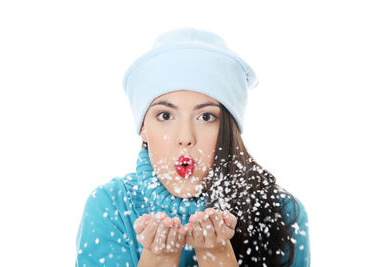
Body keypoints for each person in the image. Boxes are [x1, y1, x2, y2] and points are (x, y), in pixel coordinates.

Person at [75, 27, 310, 267]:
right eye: (165, 116)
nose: (185, 138)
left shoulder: (282, 212)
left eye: (206, 117)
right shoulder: (111, 205)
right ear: (143, 128)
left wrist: (217, 255)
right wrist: (159, 259)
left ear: (229, 129)